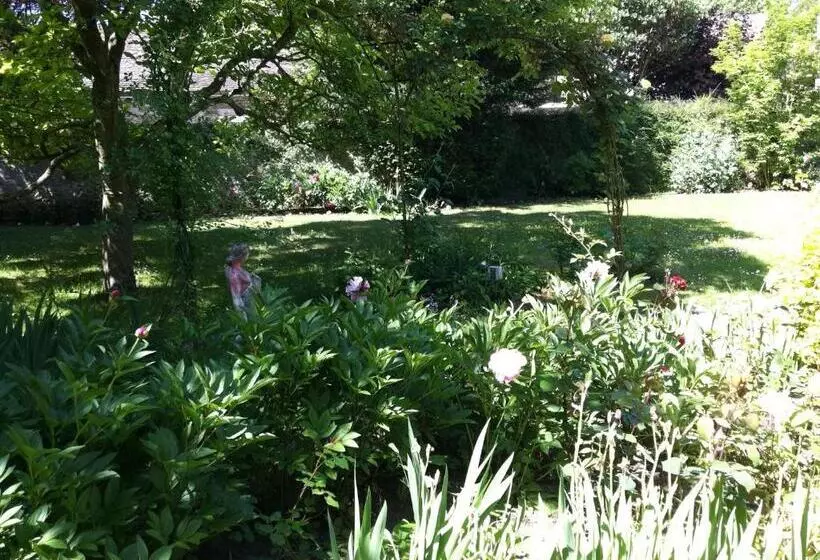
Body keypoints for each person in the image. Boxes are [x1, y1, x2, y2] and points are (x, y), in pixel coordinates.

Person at [225, 243, 261, 316]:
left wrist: (253, 278)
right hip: (245, 307)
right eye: (247, 254)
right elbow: (236, 296)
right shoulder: (234, 273)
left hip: (249, 304)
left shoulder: (235, 269)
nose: (248, 256)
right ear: (241, 256)